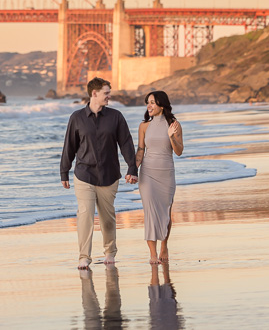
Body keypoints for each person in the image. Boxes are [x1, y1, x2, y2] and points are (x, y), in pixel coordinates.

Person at [60, 77, 138, 270]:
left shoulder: (116, 116)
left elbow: (126, 143)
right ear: (94, 94)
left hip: (109, 175)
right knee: (85, 214)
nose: (109, 96)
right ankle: (84, 256)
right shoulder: (77, 118)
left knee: (107, 217)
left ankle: (110, 252)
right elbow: (69, 146)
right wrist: (64, 171)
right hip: (84, 174)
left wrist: (132, 167)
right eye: (106, 93)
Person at [137, 90, 183, 265]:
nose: (149, 106)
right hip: (147, 173)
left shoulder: (174, 124)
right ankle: (152, 253)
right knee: (150, 212)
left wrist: (172, 137)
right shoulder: (144, 126)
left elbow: (179, 151)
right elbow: (141, 150)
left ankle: (164, 245)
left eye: (152, 103)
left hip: (166, 173)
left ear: (161, 105)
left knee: (165, 212)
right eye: (147, 102)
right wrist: (133, 170)